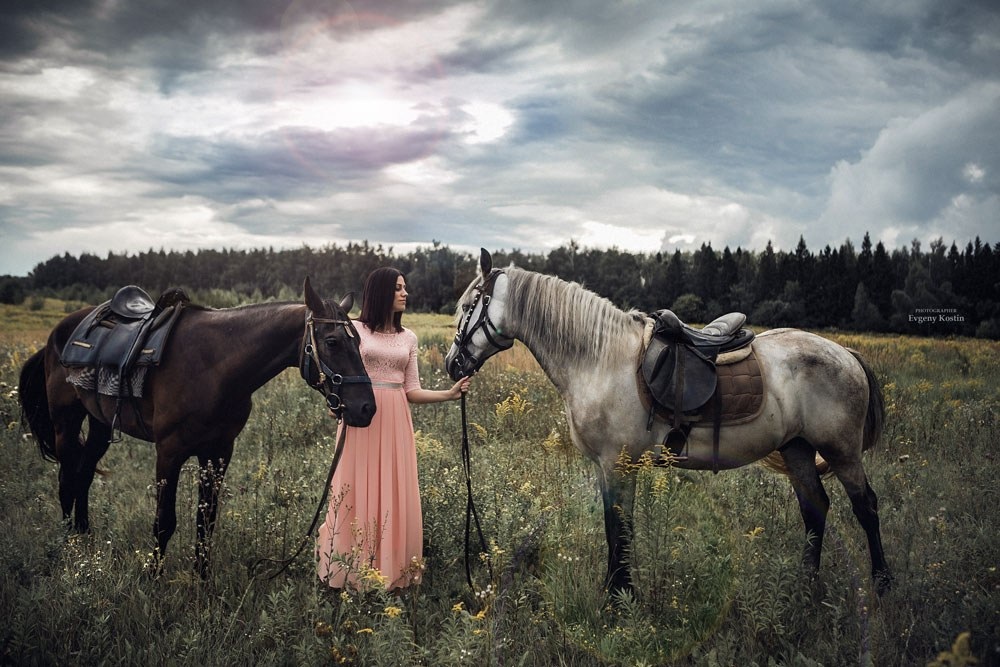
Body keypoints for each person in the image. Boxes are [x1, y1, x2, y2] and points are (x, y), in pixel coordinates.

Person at [316, 266, 470, 591]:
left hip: (396, 421)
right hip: (361, 418)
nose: (405, 293)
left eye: (404, 287)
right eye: (398, 288)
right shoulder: (355, 330)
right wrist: (335, 402)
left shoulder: (408, 337)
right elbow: (335, 369)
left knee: (393, 491)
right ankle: (350, 570)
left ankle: (391, 570)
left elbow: (412, 390)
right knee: (354, 489)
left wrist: (449, 394)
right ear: (381, 292)